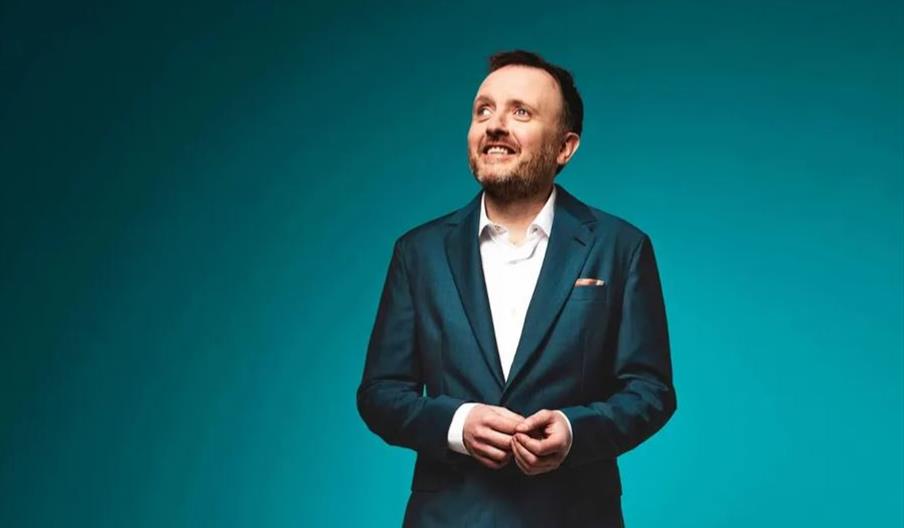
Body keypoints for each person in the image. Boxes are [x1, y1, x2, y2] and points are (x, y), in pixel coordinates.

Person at [357, 50, 676, 527]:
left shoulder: (621, 247)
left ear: (565, 147)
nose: (495, 125)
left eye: (520, 112)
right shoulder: (417, 252)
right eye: (483, 110)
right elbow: (380, 393)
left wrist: (574, 432)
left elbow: (651, 391)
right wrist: (457, 425)